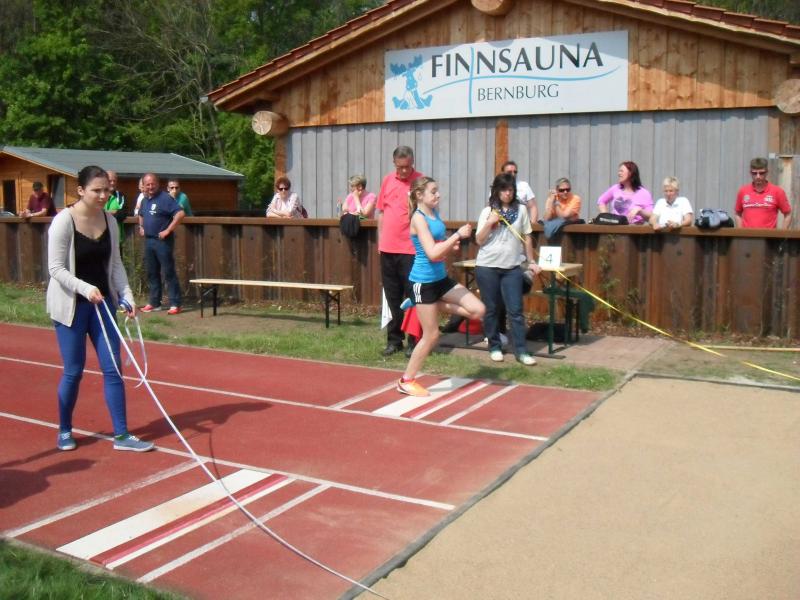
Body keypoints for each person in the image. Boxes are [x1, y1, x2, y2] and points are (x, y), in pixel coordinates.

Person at [46, 165, 154, 452]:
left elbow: (115, 265)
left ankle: (122, 435)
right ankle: (65, 429)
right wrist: (85, 288)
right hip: (72, 306)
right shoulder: (63, 221)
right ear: (81, 190)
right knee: (74, 370)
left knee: (113, 368)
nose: (104, 195)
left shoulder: (110, 221)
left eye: (107, 190)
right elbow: (55, 268)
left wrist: (127, 295)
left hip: (103, 305)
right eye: (97, 190)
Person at [398, 176, 485, 396]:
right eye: (433, 191)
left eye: (438, 191)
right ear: (420, 195)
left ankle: (423, 304)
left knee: (478, 310)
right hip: (423, 282)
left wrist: (449, 244)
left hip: (441, 279)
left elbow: (438, 242)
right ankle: (406, 380)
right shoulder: (418, 218)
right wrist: (456, 236)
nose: (438, 195)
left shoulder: (434, 212)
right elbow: (432, 253)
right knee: (432, 336)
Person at [475, 173, 540, 366]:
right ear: (496, 191)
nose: (507, 193)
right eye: (503, 189)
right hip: (487, 266)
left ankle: (521, 350)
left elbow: (527, 236)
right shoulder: (487, 211)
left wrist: (531, 261)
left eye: (511, 189)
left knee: (516, 310)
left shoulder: (521, 210)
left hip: (512, 267)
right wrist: (490, 223)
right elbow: (479, 240)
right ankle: (494, 346)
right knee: (492, 309)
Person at [377, 145, 423, 357]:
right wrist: (380, 242)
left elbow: (429, 212)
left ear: (412, 162)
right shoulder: (387, 180)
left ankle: (415, 340)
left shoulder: (420, 181)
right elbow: (382, 212)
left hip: (411, 249)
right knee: (392, 296)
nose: (404, 171)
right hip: (388, 248)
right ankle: (394, 340)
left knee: (413, 296)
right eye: (400, 167)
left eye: (407, 167)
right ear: (394, 163)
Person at [137, 172, 185, 314]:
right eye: (148, 184)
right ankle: (154, 303)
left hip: (162, 241)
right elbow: (140, 214)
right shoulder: (145, 200)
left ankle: (175, 304)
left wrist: (168, 230)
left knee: (168, 272)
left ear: (158, 184)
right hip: (149, 240)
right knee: (152, 272)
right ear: (144, 186)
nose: (150, 187)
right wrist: (141, 227)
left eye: (153, 184)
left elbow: (180, 214)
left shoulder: (165, 198)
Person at [734, 157, 792, 229]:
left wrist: (782, 233)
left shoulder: (777, 192)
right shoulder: (743, 191)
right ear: (750, 173)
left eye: (761, 173)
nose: (758, 176)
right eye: (754, 173)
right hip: (747, 235)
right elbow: (737, 214)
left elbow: (788, 214)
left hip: (769, 235)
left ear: (767, 172)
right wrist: (740, 232)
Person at [103, 170, 127, 246]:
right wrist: (114, 211)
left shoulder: (120, 196)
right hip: (100, 238)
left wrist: (105, 212)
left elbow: (122, 215)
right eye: (110, 181)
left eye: (114, 181)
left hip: (116, 238)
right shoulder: (98, 196)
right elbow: (95, 213)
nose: (112, 183)